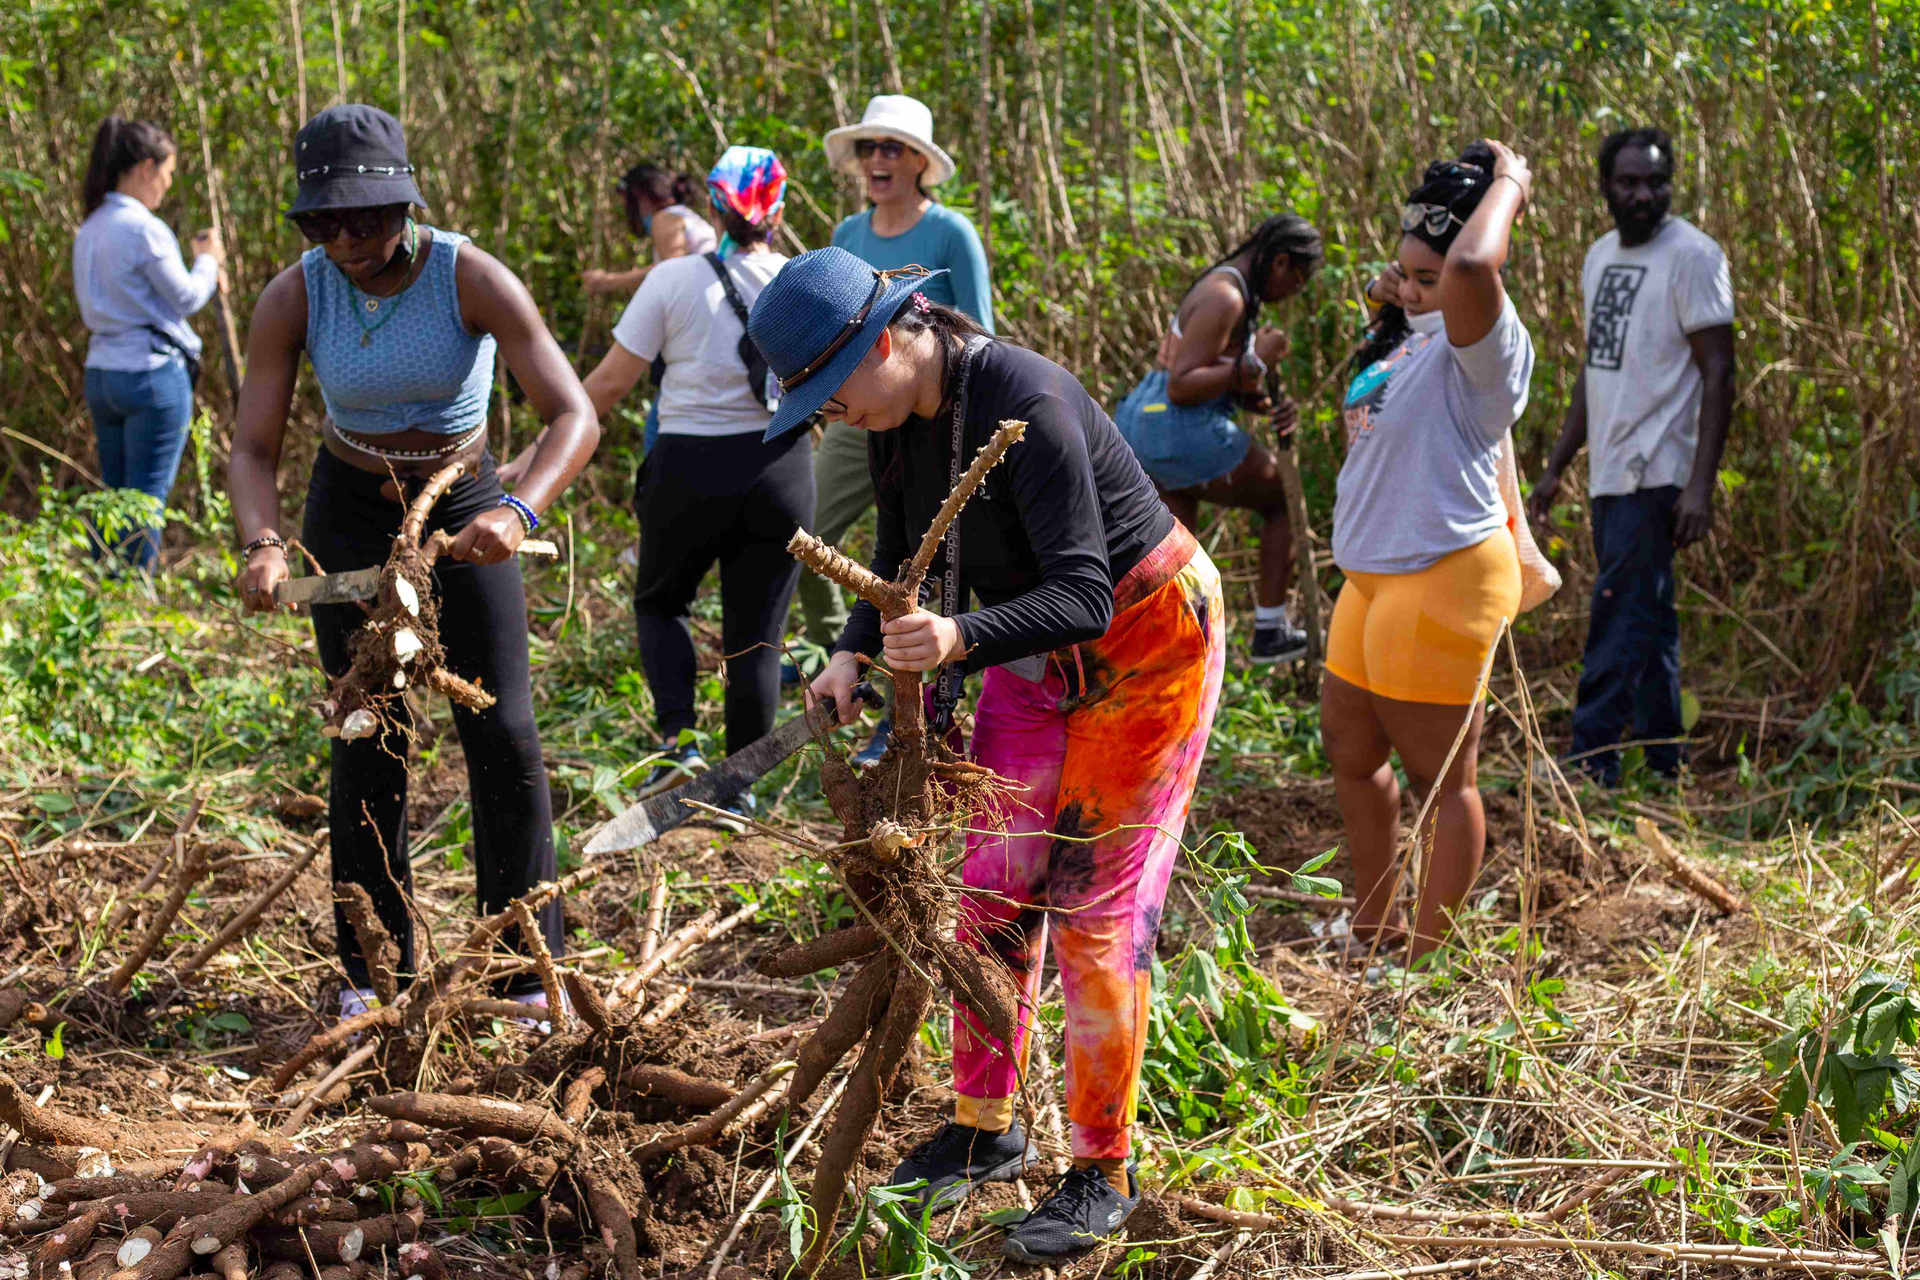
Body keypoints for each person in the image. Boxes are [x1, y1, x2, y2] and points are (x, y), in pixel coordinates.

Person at [751, 247, 1225, 1261]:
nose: (833, 417)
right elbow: (897, 539)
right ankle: (984, 1126)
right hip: (1027, 650)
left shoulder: (1028, 401)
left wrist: (959, 638)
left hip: (1146, 641)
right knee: (991, 888)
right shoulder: (899, 419)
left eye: (832, 394)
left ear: (887, 340)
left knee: (1096, 913)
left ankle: (1101, 1169)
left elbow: (1086, 592)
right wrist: (849, 650)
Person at [227, 105, 600, 1022]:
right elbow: (253, 449)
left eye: (366, 220)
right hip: (350, 515)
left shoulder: (469, 276)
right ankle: (373, 973)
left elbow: (573, 415)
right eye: (325, 223)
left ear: (406, 205)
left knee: (501, 732)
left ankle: (522, 975)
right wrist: (265, 544)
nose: (348, 242)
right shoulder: (296, 294)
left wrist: (519, 509)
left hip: (463, 502)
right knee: (366, 731)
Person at [507, 146, 802, 818]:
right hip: (779, 470)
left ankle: (680, 749)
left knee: (662, 603)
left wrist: (532, 457)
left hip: (688, 468)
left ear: (712, 204)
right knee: (756, 632)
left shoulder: (671, 282)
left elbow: (605, 387)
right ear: (779, 211)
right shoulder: (798, 282)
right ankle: (741, 786)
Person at [1323, 140, 1534, 962]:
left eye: (1428, 278)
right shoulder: (1409, 333)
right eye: (1403, 270)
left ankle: (1427, 968)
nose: (1413, 287)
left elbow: (1476, 268)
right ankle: (1377, 929)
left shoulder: (1482, 346)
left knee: (1443, 779)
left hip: (1441, 572)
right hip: (1370, 578)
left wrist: (1512, 181)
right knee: (1350, 750)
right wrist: (1398, 299)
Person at [1529, 127, 1735, 787]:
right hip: (1611, 471)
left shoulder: (1695, 257)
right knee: (1647, 616)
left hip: (1660, 473)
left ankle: (1591, 764)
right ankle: (1665, 764)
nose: (1642, 194)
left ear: (1671, 184)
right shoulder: (1598, 258)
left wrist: (1699, 488)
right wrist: (1560, 464)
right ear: (1606, 188)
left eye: (1654, 181)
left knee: (1617, 610)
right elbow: (1598, 367)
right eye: (1628, 182)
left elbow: (1719, 372)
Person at [798, 95, 996, 768]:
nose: (877, 160)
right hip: (862, 415)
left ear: (919, 161)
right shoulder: (848, 233)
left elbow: (977, 329)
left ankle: (908, 724)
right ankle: (845, 659)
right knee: (804, 533)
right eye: (867, 148)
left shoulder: (950, 232)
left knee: (932, 564)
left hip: (941, 415)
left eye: (891, 148)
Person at [1114, 213, 1324, 663]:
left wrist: (1262, 402)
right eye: (1298, 282)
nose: (1292, 295)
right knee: (1282, 498)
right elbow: (1182, 385)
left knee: (1178, 554)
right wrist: (1254, 365)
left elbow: (1211, 381)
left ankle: (1170, 651)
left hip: (1152, 427)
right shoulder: (1226, 296)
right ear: (1281, 263)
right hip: (1172, 426)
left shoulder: (1233, 291)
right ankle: (1269, 628)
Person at [72, 115, 226, 571]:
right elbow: (185, 297)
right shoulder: (143, 227)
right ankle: (135, 602)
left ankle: (107, 595)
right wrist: (207, 263)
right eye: (167, 173)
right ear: (145, 167)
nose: (167, 184)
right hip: (151, 376)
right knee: (144, 500)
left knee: (114, 497)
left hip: (102, 374)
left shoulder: (91, 226)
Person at [580, 164, 719, 453]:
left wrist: (607, 281)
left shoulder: (665, 218)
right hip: (709, 329)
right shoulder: (686, 217)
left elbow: (671, 271)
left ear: (640, 196)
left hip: (695, 332)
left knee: (658, 431)